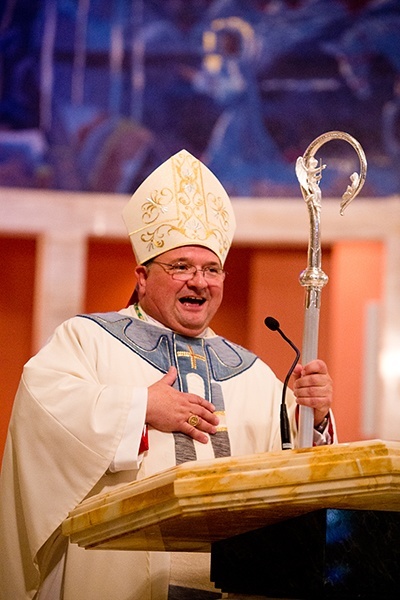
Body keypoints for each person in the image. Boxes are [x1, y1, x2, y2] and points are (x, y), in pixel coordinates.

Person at [0, 149, 334, 600]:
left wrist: (312, 416)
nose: (199, 281)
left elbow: (294, 473)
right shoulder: (88, 340)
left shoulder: (252, 374)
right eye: (181, 267)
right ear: (142, 276)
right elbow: (42, 412)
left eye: (211, 270)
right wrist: (139, 408)